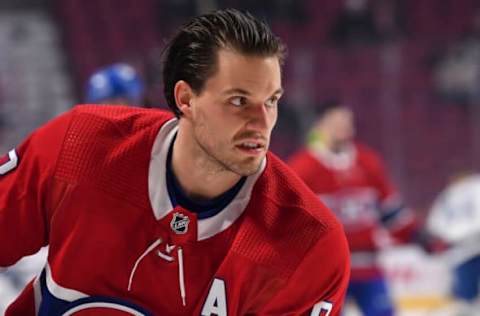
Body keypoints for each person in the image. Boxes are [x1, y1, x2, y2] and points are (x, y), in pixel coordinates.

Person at [0, 9, 350, 315]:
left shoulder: (309, 245)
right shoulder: (81, 147)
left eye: (271, 101)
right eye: (239, 100)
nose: (261, 123)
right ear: (185, 98)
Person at [288, 100, 417, 316]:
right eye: (337, 122)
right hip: (325, 271)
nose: (344, 128)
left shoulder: (368, 163)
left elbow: (390, 212)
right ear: (319, 126)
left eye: (347, 122)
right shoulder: (302, 168)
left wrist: (417, 234)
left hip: (368, 267)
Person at [426, 172, 480, 315]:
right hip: (465, 251)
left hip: (459, 251)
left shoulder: (448, 194)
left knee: (466, 297)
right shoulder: (471, 187)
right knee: (467, 299)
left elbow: (434, 224)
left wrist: (451, 237)